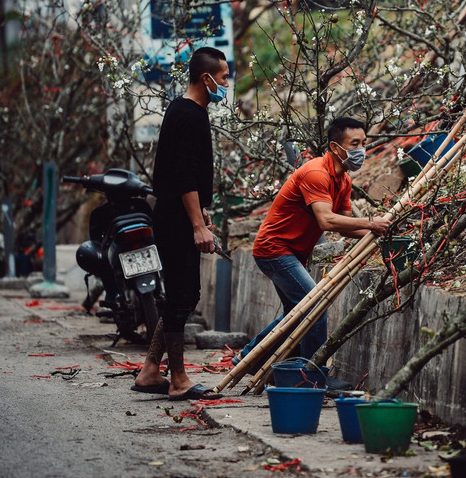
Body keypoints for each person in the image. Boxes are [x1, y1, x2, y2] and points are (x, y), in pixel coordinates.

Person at [233, 117, 391, 389]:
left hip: (291, 253)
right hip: (274, 250)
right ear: (335, 146)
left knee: (298, 311)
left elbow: (344, 227)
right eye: (355, 143)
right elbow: (327, 221)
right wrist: (370, 223)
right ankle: (314, 375)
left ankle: (248, 358)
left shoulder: (342, 181)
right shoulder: (316, 173)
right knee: (315, 306)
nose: (361, 149)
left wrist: (380, 233)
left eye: (364, 143)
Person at [132, 47, 229, 400]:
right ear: (206, 78)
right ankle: (178, 379)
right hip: (176, 218)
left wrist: (201, 210)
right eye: (223, 78)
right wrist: (197, 225)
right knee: (182, 296)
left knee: (181, 295)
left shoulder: (182, 109)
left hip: (177, 214)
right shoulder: (191, 115)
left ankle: (149, 371)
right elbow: (184, 175)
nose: (225, 83)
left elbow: (185, 175)